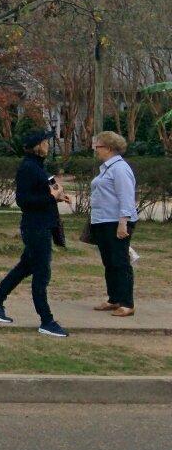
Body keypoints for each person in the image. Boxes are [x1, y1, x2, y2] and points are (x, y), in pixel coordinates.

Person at [0, 129, 70, 337]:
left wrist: (58, 195)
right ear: (38, 145)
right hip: (35, 227)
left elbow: (46, 187)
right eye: (46, 142)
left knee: (25, 267)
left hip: (43, 224)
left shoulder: (38, 166)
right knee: (42, 273)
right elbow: (24, 200)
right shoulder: (28, 167)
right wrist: (52, 199)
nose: (49, 145)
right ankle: (46, 321)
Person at [87, 131, 137, 317]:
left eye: (97, 147)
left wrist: (123, 222)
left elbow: (126, 197)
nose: (96, 150)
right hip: (102, 221)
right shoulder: (107, 168)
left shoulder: (120, 169)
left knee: (120, 262)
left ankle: (126, 302)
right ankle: (114, 298)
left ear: (108, 148)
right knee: (109, 262)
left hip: (116, 222)